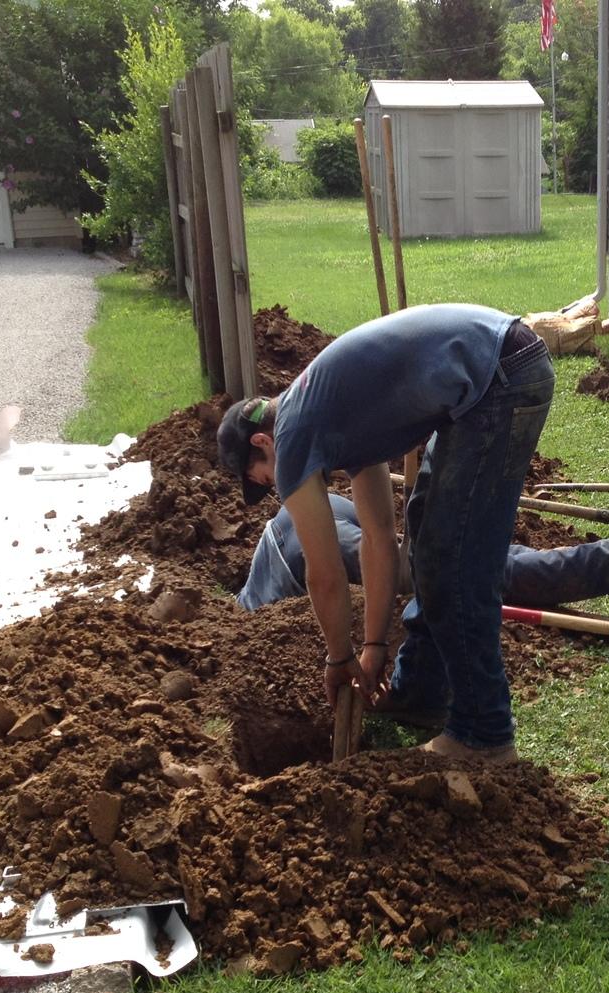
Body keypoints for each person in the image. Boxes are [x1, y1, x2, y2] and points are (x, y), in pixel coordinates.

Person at [219, 304, 555, 762]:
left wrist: (339, 657)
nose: (278, 489)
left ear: (262, 442)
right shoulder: (328, 413)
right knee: (426, 536)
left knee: (454, 560)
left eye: (265, 479)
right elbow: (380, 538)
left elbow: (325, 574)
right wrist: (374, 645)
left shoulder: (294, 436)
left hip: (496, 378)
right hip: (494, 371)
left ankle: (484, 732)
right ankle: (422, 691)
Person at [235, 493, 609, 621]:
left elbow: (324, 586)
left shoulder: (249, 610)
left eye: (257, 476)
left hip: (297, 548)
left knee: (458, 575)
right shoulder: (248, 601)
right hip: (311, 515)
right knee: (460, 561)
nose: (266, 481)